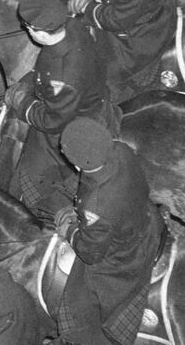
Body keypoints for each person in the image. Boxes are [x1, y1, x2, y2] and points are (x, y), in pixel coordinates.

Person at [53, 118, 167, 345]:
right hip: (147, 219)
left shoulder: (95, 205)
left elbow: (91, 252)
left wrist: (69, 229)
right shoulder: (121, 149)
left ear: (77, 163)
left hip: (127, 255)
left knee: (78, 308)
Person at [5, 0, 114, 220]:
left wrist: (22, 102)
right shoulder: (73, 26)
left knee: (31, 179)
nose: (27, 30)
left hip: (74, 120)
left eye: (28, 27)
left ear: (41, 33)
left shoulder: (63, 75)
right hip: (82, 93)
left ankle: (44, 215)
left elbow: (52, 121)